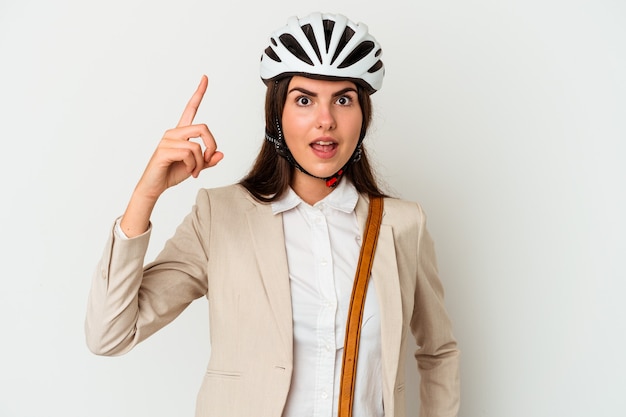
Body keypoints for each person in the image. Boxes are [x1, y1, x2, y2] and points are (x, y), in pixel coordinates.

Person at [85, 12, 460, 417]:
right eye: (304, 99)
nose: (326, 120)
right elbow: (109, 334)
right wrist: (147, 192)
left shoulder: (402, 225)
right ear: (276, 116)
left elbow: (438, 351)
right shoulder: (220, 216)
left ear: (362, 115)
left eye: (343, 99)